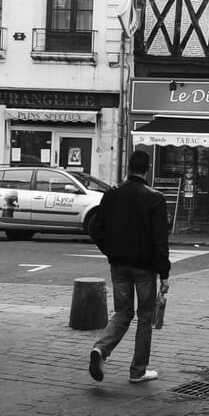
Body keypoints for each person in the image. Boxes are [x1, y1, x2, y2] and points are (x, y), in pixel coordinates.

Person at [86, 149, 170, 384]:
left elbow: (94, 227)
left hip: (119, 264)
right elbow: (159, 240)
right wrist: (164, 273)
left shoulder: (112, 194)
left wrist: (110, 249)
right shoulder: (155, 198)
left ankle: (101, 349)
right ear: (148, 169)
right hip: (145, 266)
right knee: (145, 317)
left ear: (128, 168)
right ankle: (138, 370)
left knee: (122, 312)